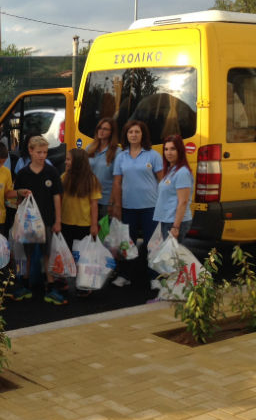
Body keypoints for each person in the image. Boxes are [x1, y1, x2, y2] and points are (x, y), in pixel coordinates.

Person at [111, 120, 164, 287]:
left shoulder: (153, 155)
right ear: (126, 135)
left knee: (153, 244)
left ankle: (155, 277)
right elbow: (117, 183)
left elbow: (162, 181)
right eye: (130, 132)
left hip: (151, 207)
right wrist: (117, 206)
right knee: (127, 243)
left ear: (143, 135)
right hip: (128, 207)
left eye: (137, 132)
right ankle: (125, 275)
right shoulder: (121, 157)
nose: (133, 135)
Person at [13, 136, 64, 305]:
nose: (42, 156)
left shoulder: (52, 172)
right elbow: (18, 200)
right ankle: (24, 284)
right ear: (30, 151)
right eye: (39, 152)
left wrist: (58, 220)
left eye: (45, 152)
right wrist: (18, 221)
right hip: (28, 223)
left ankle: (50, 286)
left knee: (47, 253)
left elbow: (57, 197)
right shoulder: (23, 174)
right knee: (26, 254)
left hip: (48, 220)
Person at [60, 149, 102, 297]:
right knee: (66, 255)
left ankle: (84, 283)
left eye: (69, 159)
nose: (66, 162)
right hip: (66, 222)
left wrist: (94, 225)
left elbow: (94, 204)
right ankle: (63, 281)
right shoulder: (64, 177)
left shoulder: (91, 180)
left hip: (84, 224)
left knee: (83, 256)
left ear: (77, 162)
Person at [153, 134, 193, 242]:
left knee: (172, 256)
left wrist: (176, 227)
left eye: (173, 149)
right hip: (167, 220)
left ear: (180, 150)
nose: (168, 153)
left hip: (175, 222)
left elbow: (183, 201)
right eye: (166, 149)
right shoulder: (171, 170)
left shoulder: (182, 172)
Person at [86, 117, 121, 217]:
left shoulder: (117, 152)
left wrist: (112, 202)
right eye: (99, 128)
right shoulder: (90, 148)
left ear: (112, 132)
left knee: (103, 232)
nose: (101, 131)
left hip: (105, 200)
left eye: (105, 129)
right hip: (89, 198)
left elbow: (117, 180)